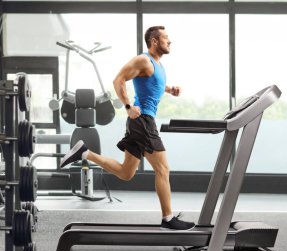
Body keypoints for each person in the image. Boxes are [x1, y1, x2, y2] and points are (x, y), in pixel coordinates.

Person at [60, 26, 195, 231]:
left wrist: (170, 89)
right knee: (163, 169)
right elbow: (118, 80)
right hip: (143, 121)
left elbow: (152, 85)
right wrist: (128, 107)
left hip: (140, 122)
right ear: (154, 41)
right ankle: (168, 218)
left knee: (126, 173)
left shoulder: (158, 65)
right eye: (166, 38)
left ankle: (84, 152)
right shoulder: (143, 60)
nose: (170, 41)